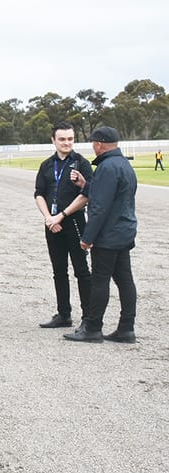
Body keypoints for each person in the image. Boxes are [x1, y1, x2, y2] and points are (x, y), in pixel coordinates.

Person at [63, 127, 139, 344]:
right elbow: (112, 195)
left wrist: (87, 237)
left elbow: (99, 206)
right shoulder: (124, 164)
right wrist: (85, 185)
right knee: (125, 280)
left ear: (99, 144)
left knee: (100, 280)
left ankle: (93, 327)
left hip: (108, 234)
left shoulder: (106, 167)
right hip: (124, 230)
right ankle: (126, 328)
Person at [34, 122, 93, 328]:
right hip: (52, 225)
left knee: (81, 271)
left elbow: (87, 194)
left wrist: (61, 215)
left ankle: (88, 318)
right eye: (62, 139)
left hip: (74, 222)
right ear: (53, 140)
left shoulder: (81, 163)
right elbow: (39, 194)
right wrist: (49, 218)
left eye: (70, 139)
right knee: (58, 270)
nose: (66, 143)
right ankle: (63, 314)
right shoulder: (46, 165)